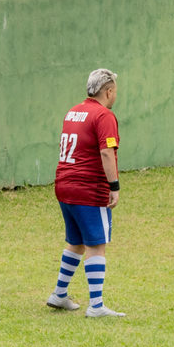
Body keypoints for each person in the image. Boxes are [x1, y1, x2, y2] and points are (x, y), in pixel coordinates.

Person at [47, 68, 126, 318]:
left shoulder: (73, 111)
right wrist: (114, 186)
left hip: (65, 186)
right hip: (88, 189)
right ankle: (96, 305)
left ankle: (59, 295)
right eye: (115, 91)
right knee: (97, 245)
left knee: (76, 242)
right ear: (108, 91)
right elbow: (106, 152)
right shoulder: (104, 116)